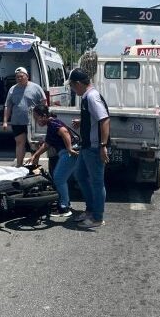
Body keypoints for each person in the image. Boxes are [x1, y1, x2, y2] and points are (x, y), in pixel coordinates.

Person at [69, 68, 110, 228]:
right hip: (87, 145)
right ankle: (91, 209)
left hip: (94, 147)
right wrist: (83, 121)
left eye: (72, 86)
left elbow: (104, 119)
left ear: (78, 84)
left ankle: (97, 218)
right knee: (79, 175)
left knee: (97, 182)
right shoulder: (87, 97)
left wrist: (103, 145)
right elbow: (95, 117)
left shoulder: (92, 97)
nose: (72, 89)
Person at [27, 104, 79, 217]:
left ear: (44, 116)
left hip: (68, 153)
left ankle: (64, 208)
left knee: (59, 179)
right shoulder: (51, 124)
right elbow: (46, 145)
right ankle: (64, 204)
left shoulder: (53, 123)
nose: (36, 121)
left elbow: (64, 132)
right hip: (66, 153)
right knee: (60, 178)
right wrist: (35, 155)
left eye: (37, 118)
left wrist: (69, 148)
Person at [2, 67, 45, 167]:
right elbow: (8, 106)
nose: (19, 78)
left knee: (34, 145)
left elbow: (43, 103)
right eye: (17, 77)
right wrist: (5, 121)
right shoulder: (12, 89)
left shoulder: (36, 88)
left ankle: (34, 165)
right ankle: (19, 165)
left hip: (33, 122)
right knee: (19, 143)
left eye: (21, 76)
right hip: (17, 122)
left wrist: (42, 118)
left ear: (27, 76)